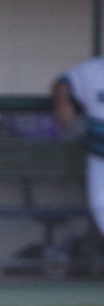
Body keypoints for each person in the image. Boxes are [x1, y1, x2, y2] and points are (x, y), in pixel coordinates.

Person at [51, 55, 104, 250]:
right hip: (99, 153)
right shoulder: (92, 70)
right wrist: (63, 104)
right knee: (100, 205)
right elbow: (62, 84)